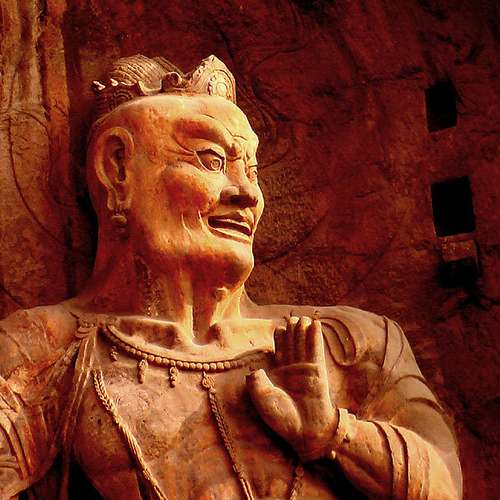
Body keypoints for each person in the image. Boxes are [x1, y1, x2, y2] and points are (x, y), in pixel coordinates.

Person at [0, 54, 462, 499]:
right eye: (212, 161)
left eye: (252, 170)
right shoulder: (47, 350)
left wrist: (335, 434)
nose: (247, 194)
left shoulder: (348, 342)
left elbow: (446, 484)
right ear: (117, 168)